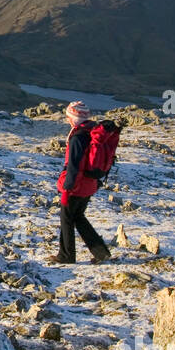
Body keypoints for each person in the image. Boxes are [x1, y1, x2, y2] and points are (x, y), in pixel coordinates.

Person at [51, 101, 120, 264]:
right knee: (78, 217)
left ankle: (66, 255)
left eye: (69, 116)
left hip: (76, 185)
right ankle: (101, 252)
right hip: (90, 184)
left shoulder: (78, 137)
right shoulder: (94, 132)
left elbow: (74, 166)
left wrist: (67, 187)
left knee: (66, 219)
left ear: (73, 118)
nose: (67, 119)